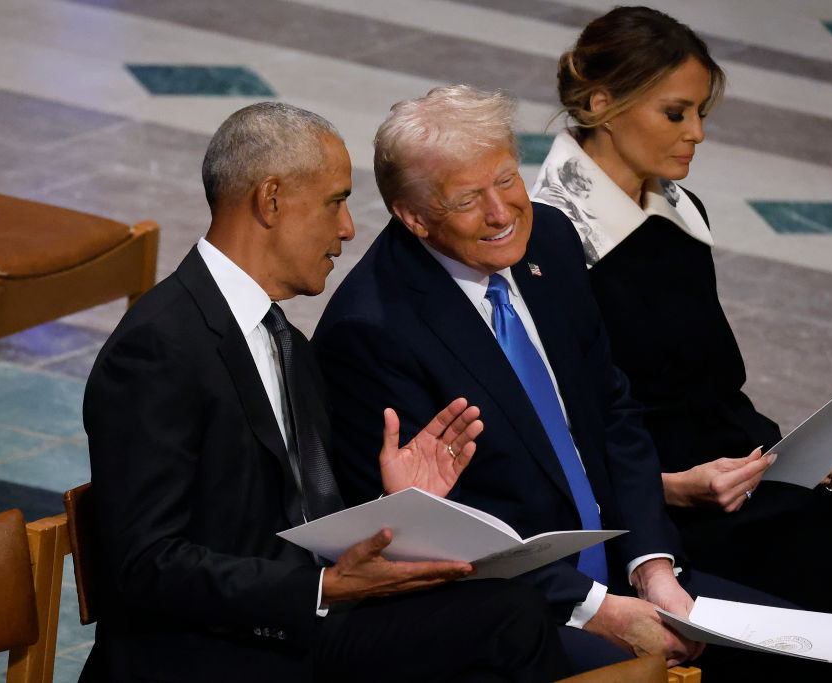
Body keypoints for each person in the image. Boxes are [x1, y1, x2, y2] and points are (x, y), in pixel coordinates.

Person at [311, 85, 832, 681]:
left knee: (818, 656)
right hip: (521, 607)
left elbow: (613, 411)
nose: (502, 212)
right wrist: (597, 608)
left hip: (623, 562)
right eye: (469, 199)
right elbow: (430, 532)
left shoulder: (549, 239)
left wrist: (652, 566)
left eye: (506, 180)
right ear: (414, 216)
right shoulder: (370, 332)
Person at [531, 6, 832, 681]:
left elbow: (706, 379)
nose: (699, 134)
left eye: (701, 113)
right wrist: (673, 489)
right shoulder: (549, 238)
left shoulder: (681, 212)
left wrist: (797, 448)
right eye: (677, 113)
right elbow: (560, 426)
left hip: (736, 480)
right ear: (601, 103)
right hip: (655, 511)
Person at [82, 102, 569, 683]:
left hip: (302, 631)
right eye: (336, 201)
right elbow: (143, 565)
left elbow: (294, 513)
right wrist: (319, 587)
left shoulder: (286, 340)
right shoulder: (158, 347)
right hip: (215, 652)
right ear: (270, 200)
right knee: (504, 625)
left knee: (506, 616)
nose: (348, 227)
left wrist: (402, 510)